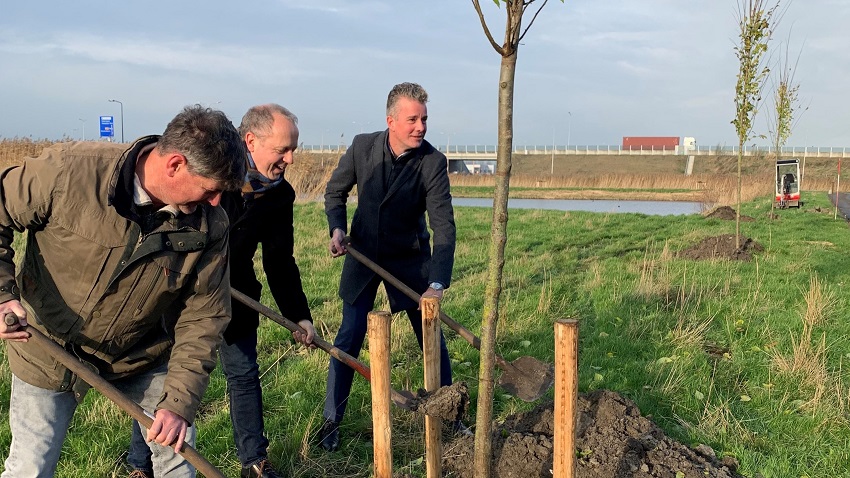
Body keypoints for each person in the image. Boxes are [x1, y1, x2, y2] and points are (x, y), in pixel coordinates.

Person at [0, 105, 246, 478]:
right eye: (210, 189)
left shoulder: (210, 225)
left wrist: (178, 403)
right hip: (45, 345)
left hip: (142, 352)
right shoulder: (70, 172)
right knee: (30, 468)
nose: (215, 202)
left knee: (178, 464)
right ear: (175, 164)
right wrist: (3, 294)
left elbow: (205, 315)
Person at [126, 104, 316, 478]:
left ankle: (255, 462)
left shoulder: (280, 196)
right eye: (282, 150)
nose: (290, 159)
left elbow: (279, 261)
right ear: (251, 141)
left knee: (244, 375)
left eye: (292, 149)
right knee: (158, 381)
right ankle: (141, 464)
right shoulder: (211, 177)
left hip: (236, 295)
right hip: (177, 294)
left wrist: (299, 315)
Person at [318, 82, 465, 452]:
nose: (420, 127)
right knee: (348, 336)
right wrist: (337, 228)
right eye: (412, 119)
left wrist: (437, 282)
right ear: (391, 120)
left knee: (430, 336)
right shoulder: (362, 147)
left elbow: (443, 225)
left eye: (424, 119)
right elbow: (334, 192)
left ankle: (451, 417)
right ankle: (331, 422)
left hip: (408, 261)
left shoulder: (432, 162)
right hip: (363, 256)